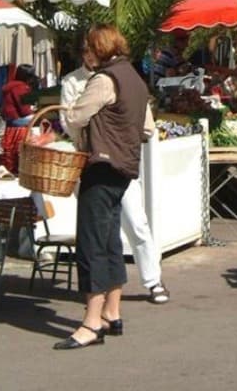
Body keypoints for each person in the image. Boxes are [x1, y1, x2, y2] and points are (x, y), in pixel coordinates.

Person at [56, 24, 149, 350]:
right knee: (110, 240)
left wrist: (71, 112)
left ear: (99, 48)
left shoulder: (104, 79)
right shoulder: (135, 78)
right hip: (124, 168)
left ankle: (91, 322)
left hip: (102, 165)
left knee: (93, 243)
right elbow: (147, 128)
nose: (87, 53)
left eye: (90, 48)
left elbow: (76, 117)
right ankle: (112, 311)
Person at [61, 59, 169, 306]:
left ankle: (148, 282)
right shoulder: (74, 80)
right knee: (105, 236)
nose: (89, 56)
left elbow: (145, 126)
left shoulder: (113, 80)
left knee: (130, 225)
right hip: (96, 160)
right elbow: (70, 122)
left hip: (108, 163)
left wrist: (113, 132)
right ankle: (108, 306)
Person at [0, 63, 40, 173]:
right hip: (17, 120)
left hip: (10, 119)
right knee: (44, 119)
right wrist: (35, 110)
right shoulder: (20, 87)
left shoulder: (11, 85)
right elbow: (24, 110)